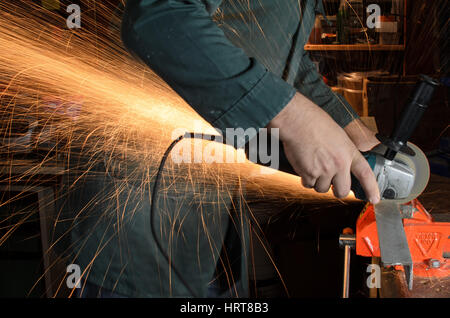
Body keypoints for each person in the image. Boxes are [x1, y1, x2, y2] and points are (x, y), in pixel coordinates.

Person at [68, 0, 381, 298]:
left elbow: (287, 63)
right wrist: (294, 116)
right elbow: (159, 17)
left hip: (211, 215)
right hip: (141, 210)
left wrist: (355, 133)